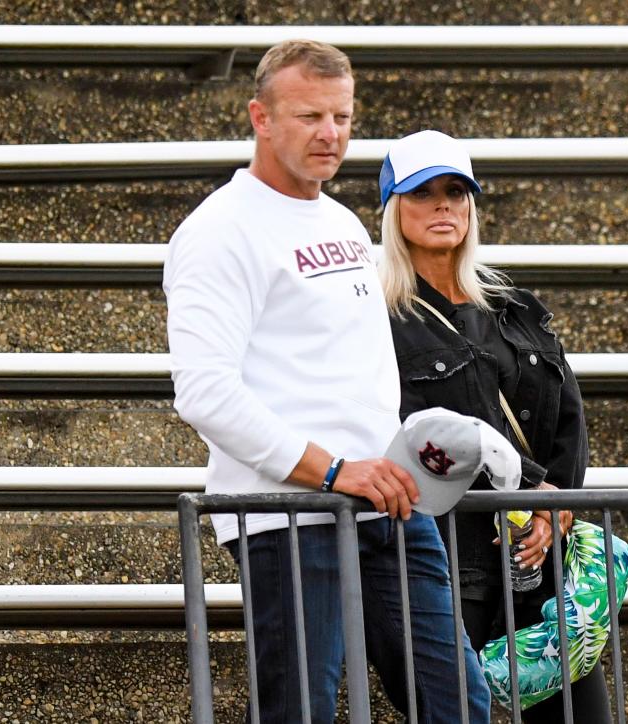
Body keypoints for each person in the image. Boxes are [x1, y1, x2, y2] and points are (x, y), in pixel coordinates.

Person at [163, 44, 490, 723]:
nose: (330, 134)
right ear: (261, 117)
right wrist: (335, 470)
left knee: (458, 702)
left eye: (342, 117)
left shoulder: (342, 223)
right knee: (301, 711)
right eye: (310, 115)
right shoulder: (219, 232)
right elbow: (205, 393)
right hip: (286, 515)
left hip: (389, 504)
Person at [379, 130, 613, 723]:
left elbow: (568, 414)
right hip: (446, 558)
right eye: (422, 193)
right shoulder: (377, 318)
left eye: (456, 192)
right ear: (392, 209)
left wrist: (557, 502)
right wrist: (533, 489)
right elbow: (426, 428)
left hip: (538, 557)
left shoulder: (513, 304)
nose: (442, 206)